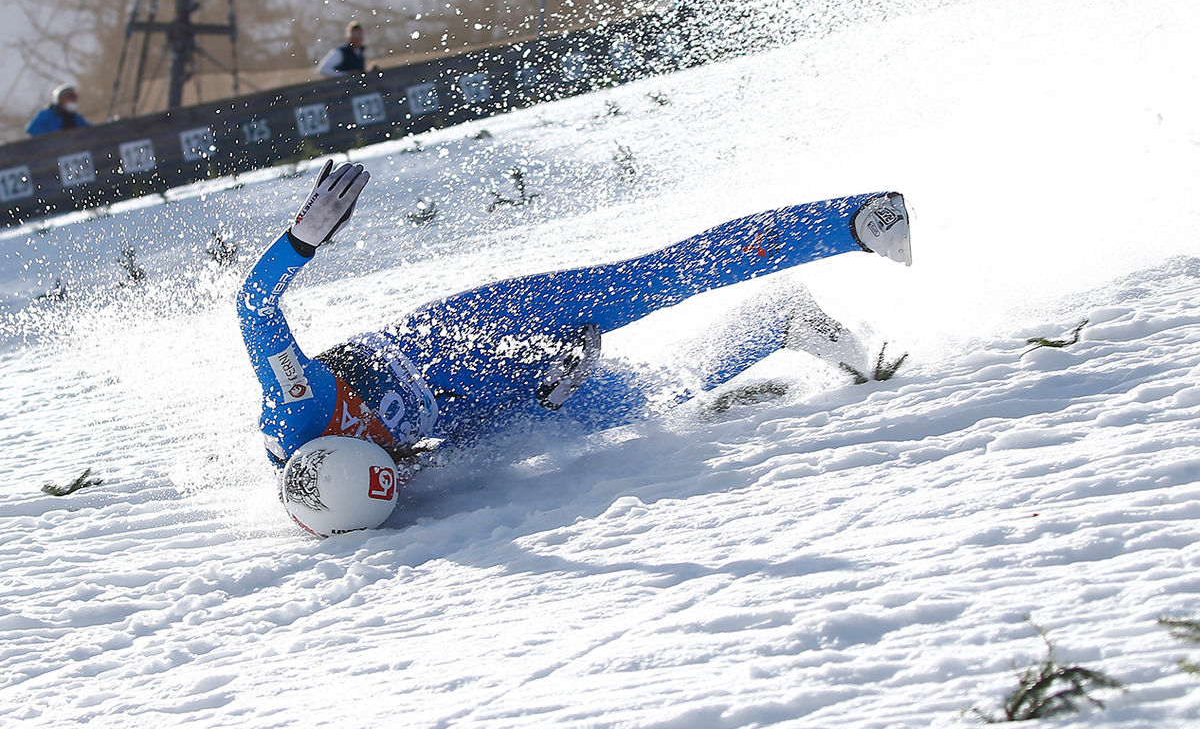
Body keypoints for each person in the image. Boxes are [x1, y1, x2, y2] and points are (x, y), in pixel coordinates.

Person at [237, 162, 912, 530]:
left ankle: (851, 222)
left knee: (648, 282)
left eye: (368, 446)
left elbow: (254, 305)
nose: (389, 457)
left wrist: (302, 239)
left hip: (462, 330)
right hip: (491, 392)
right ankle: (780, 319)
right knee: (652, 398)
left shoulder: (295, 403)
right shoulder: (363, 505)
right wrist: (540, 395)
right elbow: (458, 446)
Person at [27, 84, 91, 136]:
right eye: (70, 96)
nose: (74, 99)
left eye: (75, 96)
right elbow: (32, 129)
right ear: (60, 99)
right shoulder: (48, 114)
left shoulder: (76, 117)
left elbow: (90, 130)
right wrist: (54, 137)